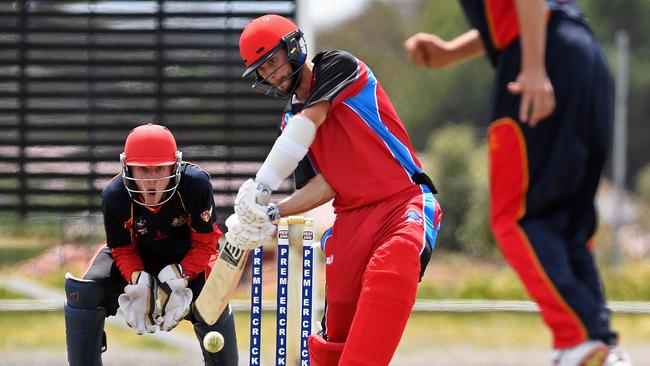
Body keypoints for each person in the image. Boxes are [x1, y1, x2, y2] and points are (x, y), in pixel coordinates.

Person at [404, 1, 630, 365]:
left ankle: (578, 340)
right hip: (583, 55)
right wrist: (450, 52)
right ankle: (600, 345)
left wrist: (534, 66)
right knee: (567, 225)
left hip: (539, 55)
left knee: (519, 217)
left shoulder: (535, 56)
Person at [223, 14, 442, 366]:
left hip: (402, 203)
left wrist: (261, 187)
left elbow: (312, 119)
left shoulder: (338, 67)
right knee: (335, 337)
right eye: (262, 71)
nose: (272, 75)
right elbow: (323, 185)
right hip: (351, 223)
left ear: (293, 47)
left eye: (273, 62)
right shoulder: (289, 123)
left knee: (390, 273)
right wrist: (272, 212)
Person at [63, 123, 238, 366]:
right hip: (137, 256)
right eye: (143, 170)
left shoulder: (195, 184)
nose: (153, 180)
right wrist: (138, 279)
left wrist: (180, 275)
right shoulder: (115, 195)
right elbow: (122, 249)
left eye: (160, 169)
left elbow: (207, 242)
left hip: (187, 256)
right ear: (128, 167)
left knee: (215, 296)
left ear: (174, 165)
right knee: (83, 292)